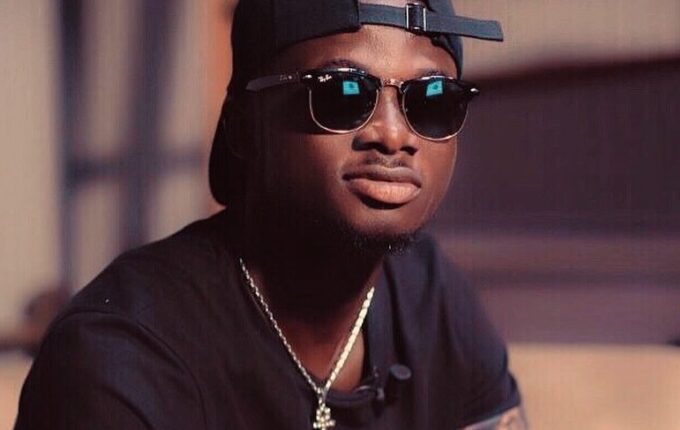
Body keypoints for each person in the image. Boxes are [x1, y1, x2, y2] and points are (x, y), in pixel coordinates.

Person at [15, 0, 524, 428]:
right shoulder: (117, 359)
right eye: (342, 91)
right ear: (243, 126)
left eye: (433, 100)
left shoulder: (431, 297)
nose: (393, 135)